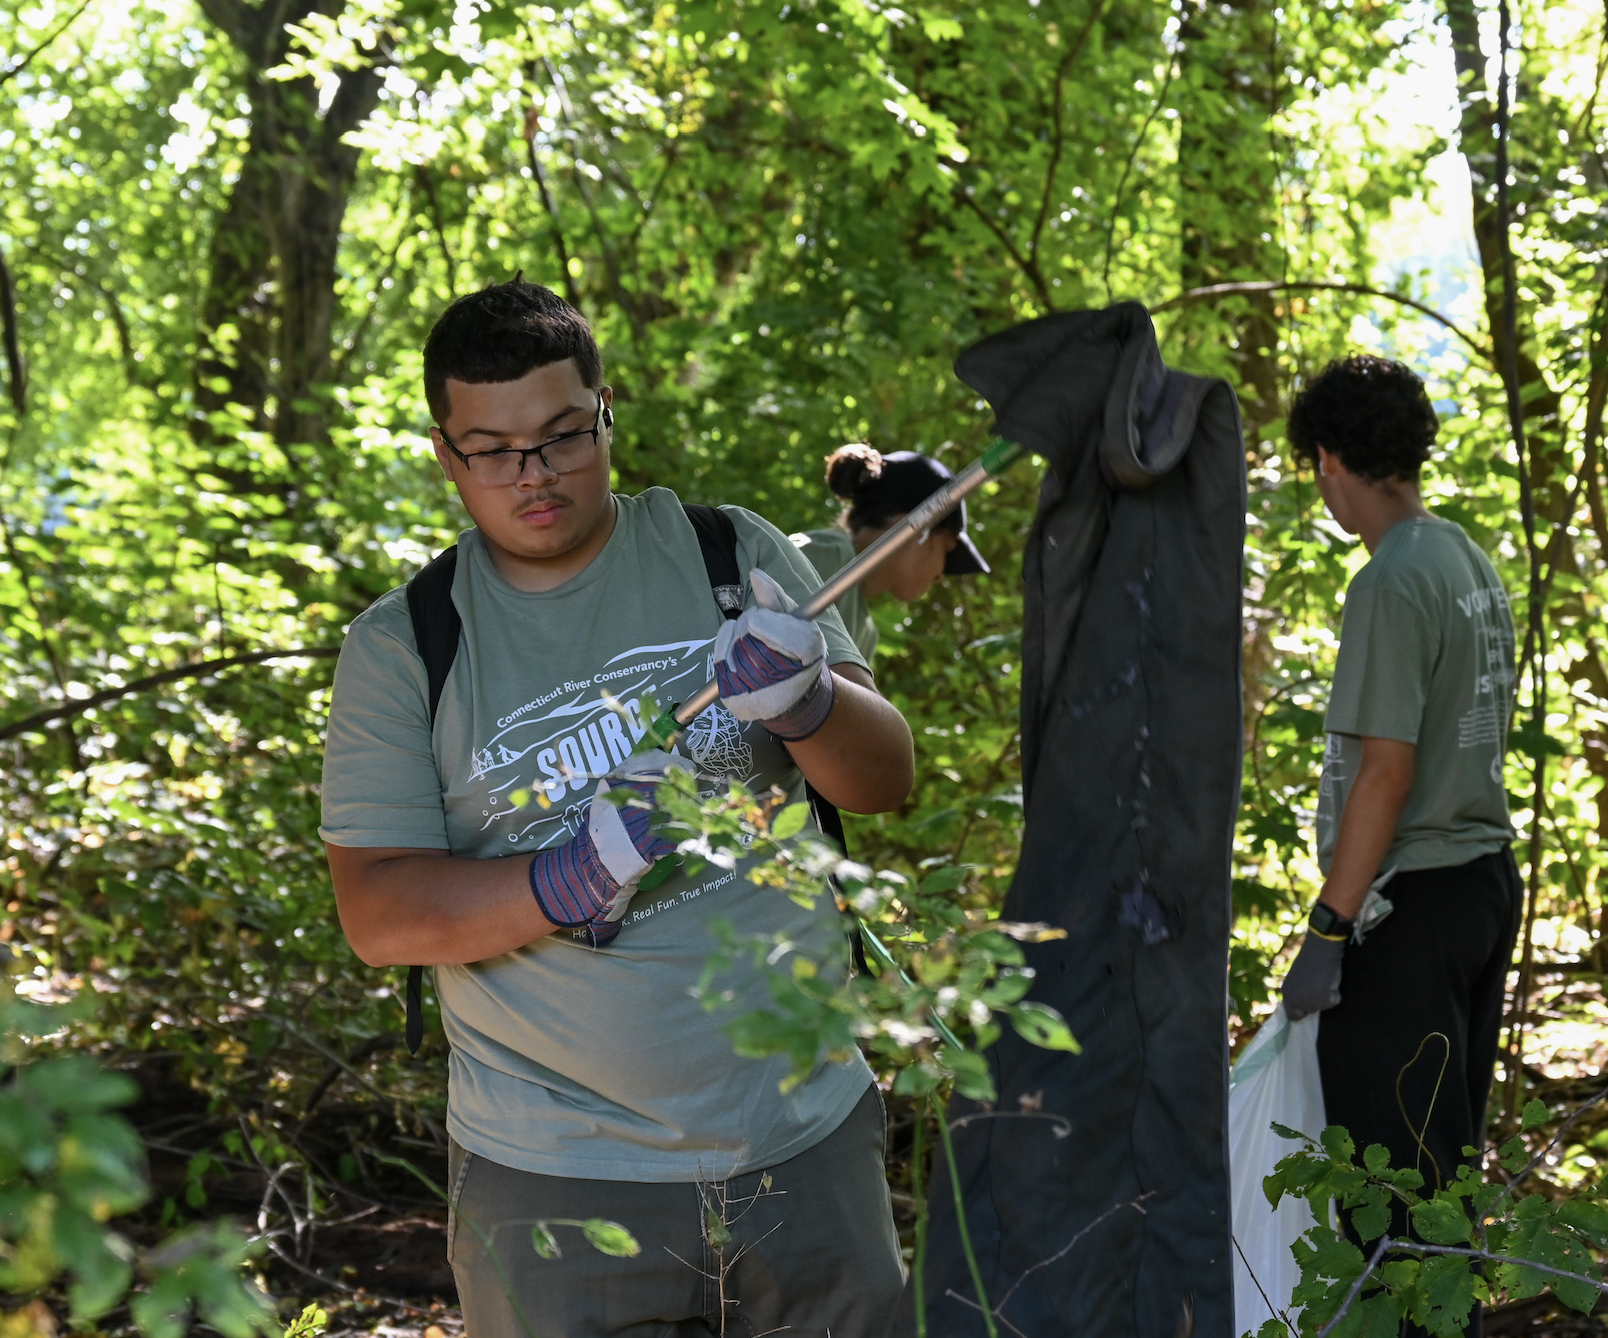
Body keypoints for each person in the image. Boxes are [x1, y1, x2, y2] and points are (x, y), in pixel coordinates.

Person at [317, 278, 915, 1337]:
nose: (533, 474)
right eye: (493, 450)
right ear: (448, 456)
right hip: (555, 1179)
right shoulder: (404, 645)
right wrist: (567, 878)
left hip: (805, 1142)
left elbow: (884, 780)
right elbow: (381, 913)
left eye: (561, 434)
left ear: (607, 409)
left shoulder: (725, 553)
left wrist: (810, 701)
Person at [1281, 355, 1519, 1334]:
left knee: (1389, 1199)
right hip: (1483, 885)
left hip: (1408, 910)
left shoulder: (1389, 582)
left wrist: (1329, 931)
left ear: (1330, 458)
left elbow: (1386, 771)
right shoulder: (1463, 556)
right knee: (1444, 1168)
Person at [790, 442, 990, 664]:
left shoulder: (866, 635)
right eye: (946, 551)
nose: (941, 575)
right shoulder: (823, 556)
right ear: (918, 526)